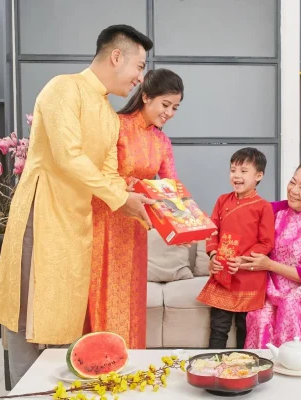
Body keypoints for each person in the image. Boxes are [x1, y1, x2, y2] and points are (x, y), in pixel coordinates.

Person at [0, 25, 156, 386]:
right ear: (116, 57)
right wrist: (120, 198)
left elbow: (108, 172)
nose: (140, 78)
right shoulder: (63, 88)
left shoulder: (108, 115)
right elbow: (68, 156)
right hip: (42, 214)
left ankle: (59, 389)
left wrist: (131, 198)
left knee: (64, 315)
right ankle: (26, 391)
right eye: (139, 67)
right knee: (26, 314)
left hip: (77, 222)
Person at [87, 69, 183, 349]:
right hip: (104, 220)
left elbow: (171, 187)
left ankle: (127, 358)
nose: (169, 113)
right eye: (165, 104)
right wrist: (129, 186)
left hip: (134, 227)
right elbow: (97, 172)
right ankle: (99, 357)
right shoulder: (115, 126)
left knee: (130, 297)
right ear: (146, 97)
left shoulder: (162, 141)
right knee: (103, 291)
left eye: (175, 108)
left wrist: (186, 221)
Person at [241, 159, 301, 348]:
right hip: (269, 284)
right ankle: (261, 363)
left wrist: (269, 265)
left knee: (289, 305)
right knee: (260, 316)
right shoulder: (272, 210)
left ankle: (294, 361)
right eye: (293, 182)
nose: (293, 190)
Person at [196, 147, 275, 349]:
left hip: (249, 276)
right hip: (223, 274)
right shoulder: (222, 200)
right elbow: (212, 231)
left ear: (259, 175)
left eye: (243, 171)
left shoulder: (264, 206)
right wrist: (213, 255)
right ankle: (213, 364)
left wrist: (242, 260)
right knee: (218, 327)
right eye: (233, 170)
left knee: (245, 328)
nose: (236, 176)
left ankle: (242, 366)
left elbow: (266, 243)